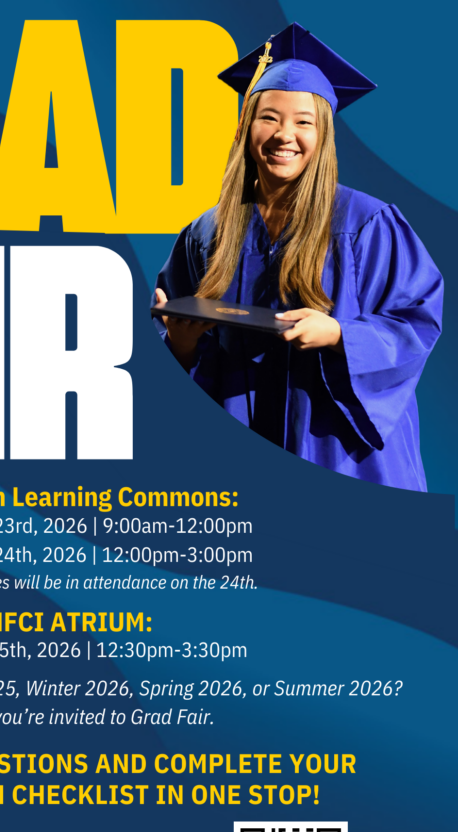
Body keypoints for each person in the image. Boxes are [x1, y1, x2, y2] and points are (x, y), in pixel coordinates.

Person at [154, 23, 443, 491]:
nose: (284, 135)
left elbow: (416, 324)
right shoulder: (207, 233)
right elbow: (173, 348)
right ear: (245, 127)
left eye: (303, 122)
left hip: (341, 458)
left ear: (323, 134)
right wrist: (180, 343)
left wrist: (340, 335)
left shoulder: (367, 224)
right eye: (269, 117)